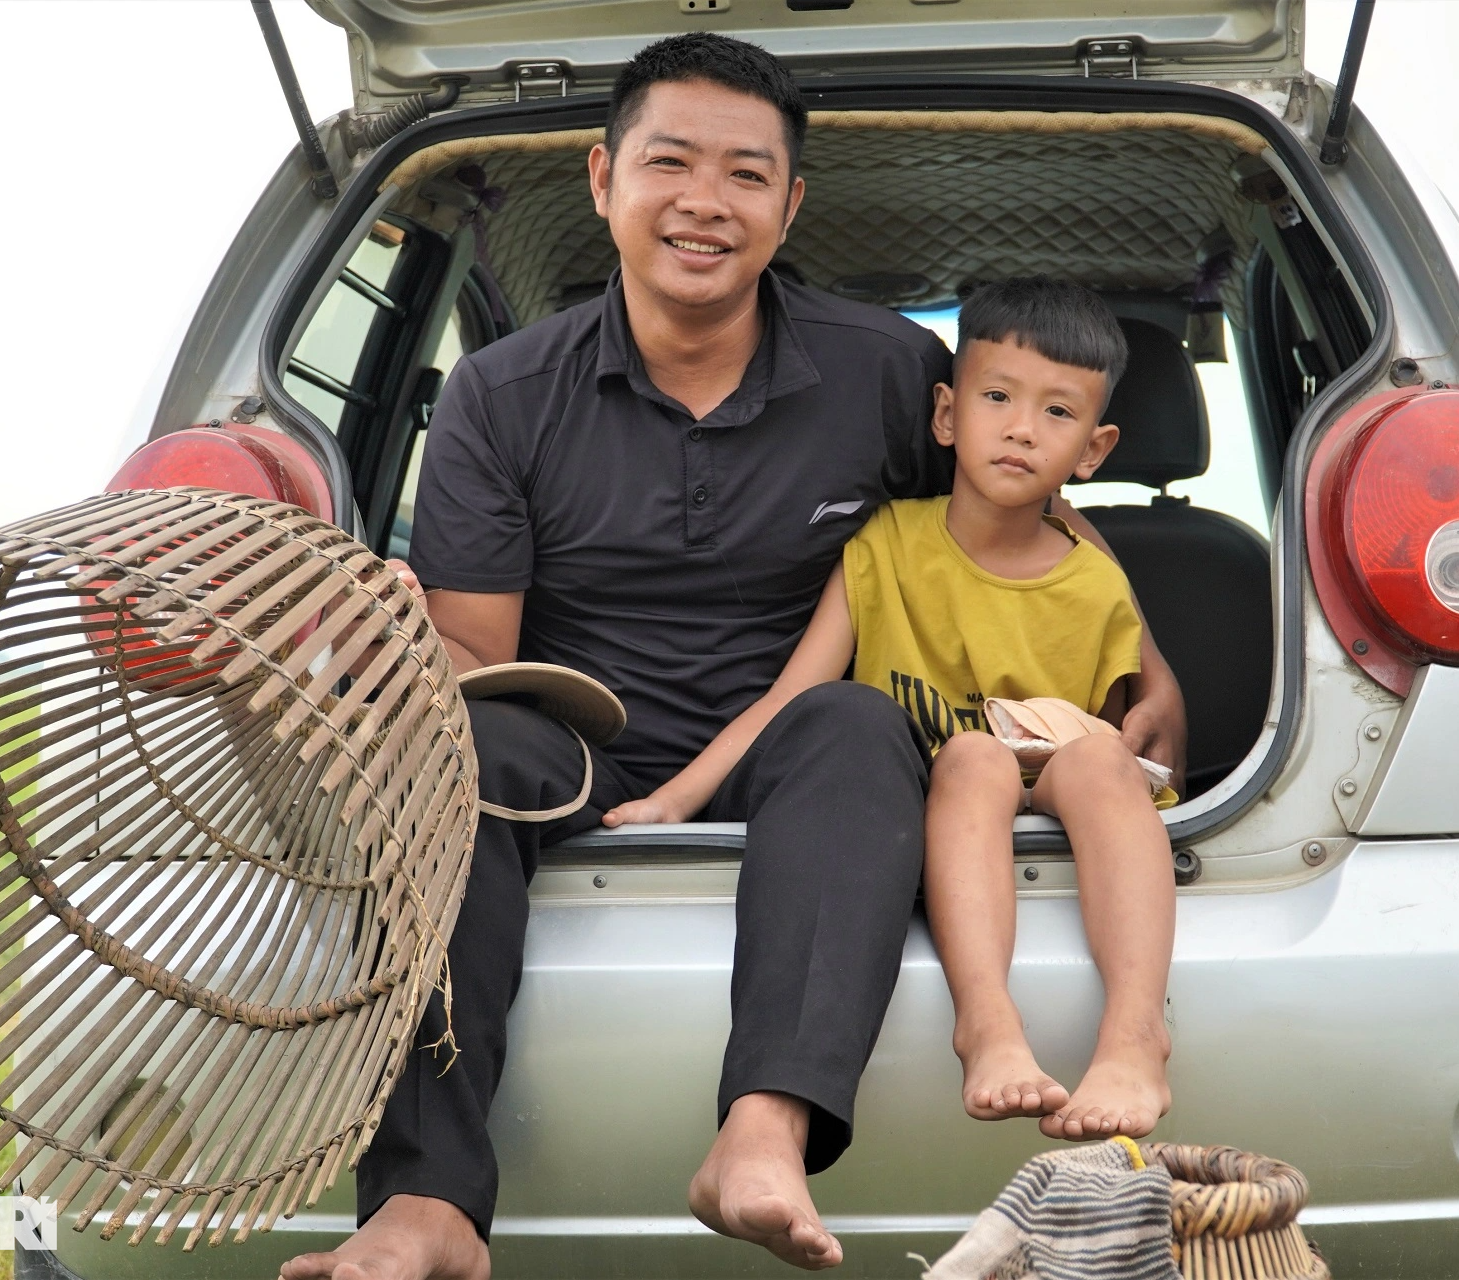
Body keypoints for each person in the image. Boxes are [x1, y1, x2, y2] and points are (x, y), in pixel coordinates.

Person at [283, 34, 1186, 1280]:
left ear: (789, 204)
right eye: (670, 162)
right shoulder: (501, 392)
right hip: (572, 733)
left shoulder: (883, 372)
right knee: (462, 741)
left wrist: (1149, 678)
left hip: (804, 745)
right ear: (604, 179)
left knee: (862, 726)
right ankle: (430, 1198)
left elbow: (1008, 515)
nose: (706, 202)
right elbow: (474, 652)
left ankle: (760, 1131)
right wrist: (370, 629)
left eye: (747, 174)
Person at [603, 276, 1175, 1141]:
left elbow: (1113, 745)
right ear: (945, 416)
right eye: (996, 397)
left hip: (1054, 800)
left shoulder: (1096, 585)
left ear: (1093, 451)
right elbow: (794, 694)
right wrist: (678, 798)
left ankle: (1135, 1039)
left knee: (1095, 758)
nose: (1021, 428)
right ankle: (985, 1024)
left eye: (1058, 415)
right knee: (972, 757)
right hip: (929, 804)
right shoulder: (885, 545)